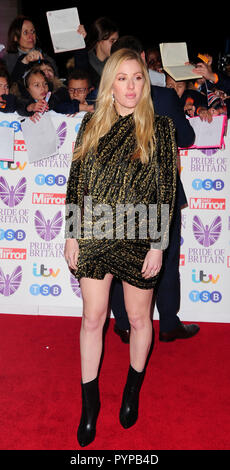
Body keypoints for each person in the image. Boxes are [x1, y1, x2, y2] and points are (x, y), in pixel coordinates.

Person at [64, 48, 178, 446]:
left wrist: (158, 246)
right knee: (92, 319)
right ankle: (89, 404)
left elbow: (165, 193)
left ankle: (132, 388)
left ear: (145, 84)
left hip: (140, 233)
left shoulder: (160, 128)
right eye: (123, 78)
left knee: (139, 318)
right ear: (110, 83)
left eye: (138, 78)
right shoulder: (90, 125)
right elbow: (76, 183)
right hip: (94, 231)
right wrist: (72, 233)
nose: (131, 86)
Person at [109, 36, 199, 343]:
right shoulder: (162, 96)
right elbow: (186, 138)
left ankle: (122, 322)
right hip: (161, 193)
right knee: (167, 257)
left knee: (122, 258)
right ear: (145, 58)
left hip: (121, 195)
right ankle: (169, 323)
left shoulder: (105, 96)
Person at [3, 15, 58, 81]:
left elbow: (56, 85)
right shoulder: (7, 61)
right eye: (25, 33)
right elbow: (9, 86)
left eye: (33, 32)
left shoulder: (47, 59)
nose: (31, 36)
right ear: (15, 37)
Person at [74, 17, 119, 88]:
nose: (116, 45)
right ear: (100, 40)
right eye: (112, 41)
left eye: (117, 41)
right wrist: (80, 41)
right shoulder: (84, 62)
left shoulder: (118, 63)